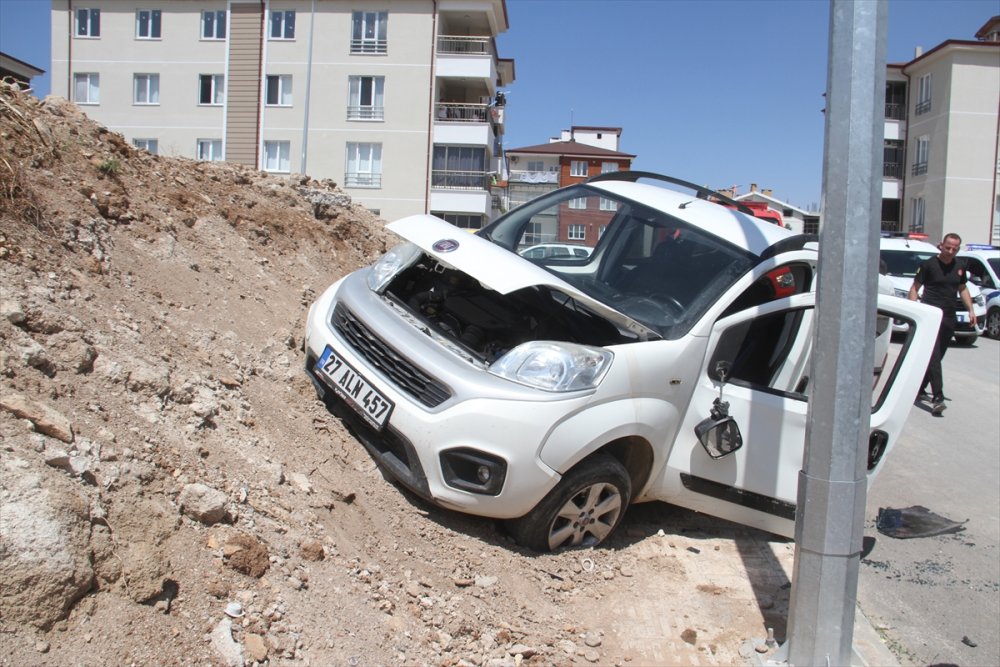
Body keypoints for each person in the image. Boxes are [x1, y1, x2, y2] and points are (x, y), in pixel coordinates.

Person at [908, 232, 977, 416]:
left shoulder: (959, 267)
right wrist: (913, 312)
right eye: (948, 247)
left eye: (954, 248)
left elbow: (962, 288)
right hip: (930, 315)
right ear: (941, 245)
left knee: (937, 357)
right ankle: (937, 398)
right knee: (934, 354)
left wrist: (970, 310)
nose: (950, 251)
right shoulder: (928, 265)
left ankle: (918, 388)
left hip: (948, 317)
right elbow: (915, 288)